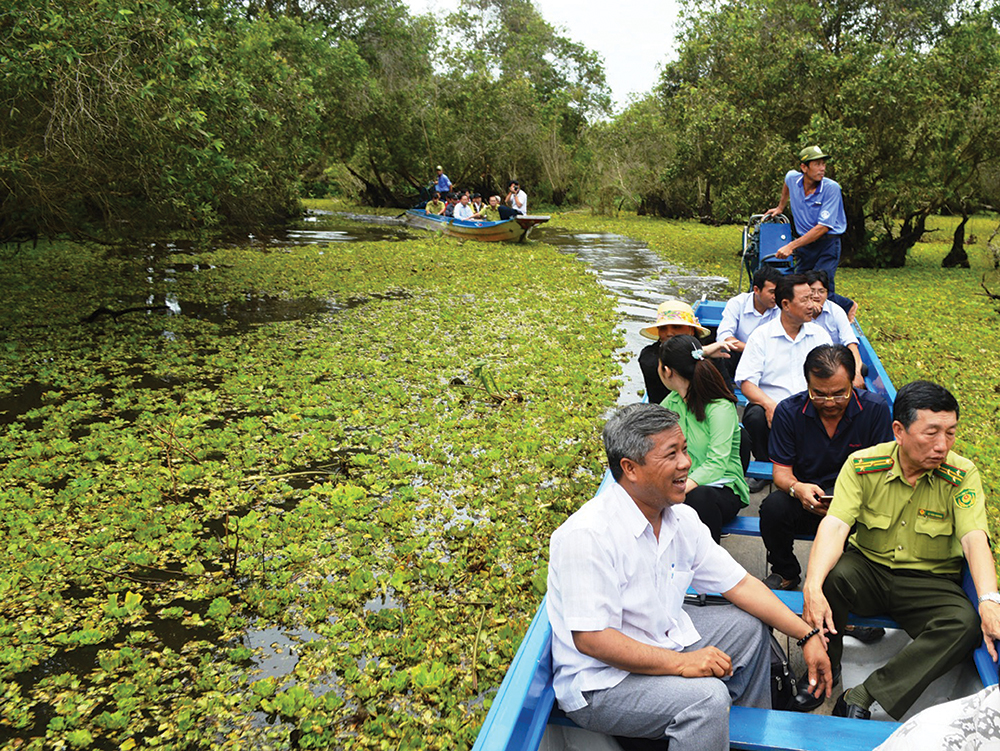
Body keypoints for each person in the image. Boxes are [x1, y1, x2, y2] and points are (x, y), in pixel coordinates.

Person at [547, 403, 833, 750]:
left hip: (657, 640)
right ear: (630, 468)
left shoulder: (679, 519)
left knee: (749, 628)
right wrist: (682, 663)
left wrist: (807, 635)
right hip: (602, 683)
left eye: (684, 449)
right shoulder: (588, 535)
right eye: (672, 454)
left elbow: (741, 584)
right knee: (706, 698)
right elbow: (592, 640)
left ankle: (744, 738)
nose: (686, 462)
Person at [802, 381, 1000, 720]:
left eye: (951, 433)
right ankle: (822, 670)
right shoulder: (863, 465)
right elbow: (835, 525)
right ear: (899, 430)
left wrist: (989, 600)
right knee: (832, 580)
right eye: (932, 433)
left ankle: (866, 692)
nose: (942, 445)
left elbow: (974, 538)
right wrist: (812, 585)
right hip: (868, 570)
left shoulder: (961, 474)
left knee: (963, 623)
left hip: (929, 582)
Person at [758, 344, 893, 593]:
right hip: (807, 497)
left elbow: (882, 474)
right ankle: (785, 571)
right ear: (807, 383)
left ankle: (847, 585)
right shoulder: (789, 412)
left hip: (856, 502)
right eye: (818, 394)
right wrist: (798, 489)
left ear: (853, 381)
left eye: (840, 393)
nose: (829, 402)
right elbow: (781, 474)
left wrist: (848, 502)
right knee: (773, 508)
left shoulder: (875, 411)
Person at [658, 336, 749, 542]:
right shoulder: (671, 402)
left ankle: (708, 563)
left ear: (667, 371)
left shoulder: (720, 408)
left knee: (698, 498)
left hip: (721, 490)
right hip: (680, 484)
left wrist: (678, 489)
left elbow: (716, 464)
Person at [735, 274, 832, 463]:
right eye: (805, 300)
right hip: (773, 405)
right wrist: (771, 406)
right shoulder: (761, 336)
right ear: (786, 304)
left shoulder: (820, 336)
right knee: (755, 416)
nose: (812, 305)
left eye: (813, 298)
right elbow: (746, 383)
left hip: (810, 406)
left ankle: (812, 464)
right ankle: (764, 463)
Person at [764, 146, 854, 313]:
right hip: (805, 243)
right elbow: (786, 184)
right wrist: (780, 207)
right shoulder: (793, 178)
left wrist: (791, 246)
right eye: (817, 164)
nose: (823, 169)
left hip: (827, 243)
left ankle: (847, 306)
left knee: (820, 289)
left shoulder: (831, 188)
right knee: (799, 286)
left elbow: (822, 228)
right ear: (804, 167)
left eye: (824, 164)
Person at [638, 300, 733, 405]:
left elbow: (728, 394)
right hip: (663, 414)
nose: (669, 333)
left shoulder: (710, 355)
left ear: (691, 330)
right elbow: (653, 364)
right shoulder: (649, 356)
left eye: (677, 327)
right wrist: (700, 352)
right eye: (663, 328)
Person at [716, 265, 783, 373]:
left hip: (767, 359)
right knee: (723, 352)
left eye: (779, 291)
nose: (776, 296)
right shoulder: (737, 303)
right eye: (772, 292)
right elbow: (724, 336)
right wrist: (752, 349)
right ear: (756, 290)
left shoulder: (781, 307)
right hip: (741, 354)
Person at [805, 270, 864, 388]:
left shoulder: (836, 312)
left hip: (834, 363)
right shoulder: (799, 312)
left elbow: (851, 344)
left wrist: (857, 373)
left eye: (821, 291)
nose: (816, 296)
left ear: (827, 293)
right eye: (812, 291)